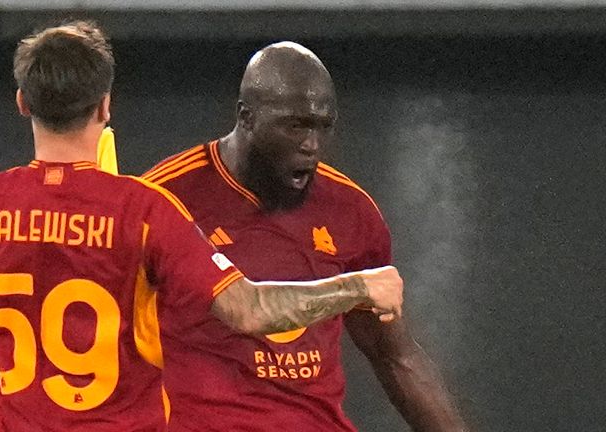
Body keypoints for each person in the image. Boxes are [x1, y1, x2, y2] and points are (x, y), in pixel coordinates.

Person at [0, 23, 404, 432]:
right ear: (106, 106)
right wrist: (356, 286)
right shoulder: (145, 210)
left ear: (21, 102)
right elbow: (249, 310)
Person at [143, 41, 467, 432]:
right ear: (246, 117)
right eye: (295, 125)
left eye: (322, 126)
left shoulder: (352, 211)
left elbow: (394, 356)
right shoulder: (163, 199)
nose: (311, 145)